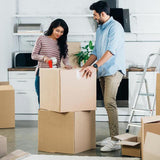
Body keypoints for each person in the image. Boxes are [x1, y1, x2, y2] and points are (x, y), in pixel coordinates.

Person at [80, 1, 126, 152]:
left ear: (103, 14)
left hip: (113, 70)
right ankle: (113, 136)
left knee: (109, 102)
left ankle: (115, 140)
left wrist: (94, 67)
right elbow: (95, 52)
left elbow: (111, 51)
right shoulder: (100, 29)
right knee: (107, 105)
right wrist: (85, 66)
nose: (93, 17)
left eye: (94, 15)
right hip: (102, 71)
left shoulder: (115, 27)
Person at [31, 19, 71, 104]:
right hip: (41, 74)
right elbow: (33, 55)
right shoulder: (41, 39)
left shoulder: (62, 43)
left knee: (54, 100)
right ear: (52, 28)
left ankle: (52, 117)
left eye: (61, 32)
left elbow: (65, 58)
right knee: (42, 100)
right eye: (57, 30)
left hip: (55, 75)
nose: (59, 34)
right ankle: (44, 117)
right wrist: (44, 58)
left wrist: (67, 65)